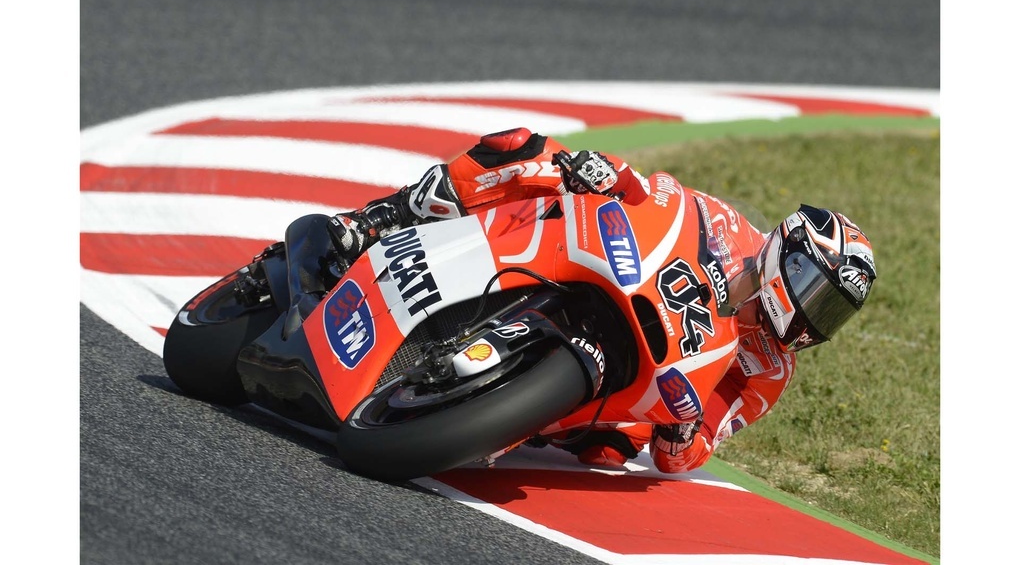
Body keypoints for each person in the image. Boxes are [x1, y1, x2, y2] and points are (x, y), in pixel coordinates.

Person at [285, 126, 877, 473]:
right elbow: (658, 197)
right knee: (529, 149)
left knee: (610, 451)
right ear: (787, 258)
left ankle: (503, 407)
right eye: (816, 293)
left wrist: (683, 432)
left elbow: (691, 454)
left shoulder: (770, 370)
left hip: (636, 387)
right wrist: (610, 174)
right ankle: (374, 221)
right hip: (617, 281)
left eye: (832, 312)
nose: (813, 316)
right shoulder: (726, 223)